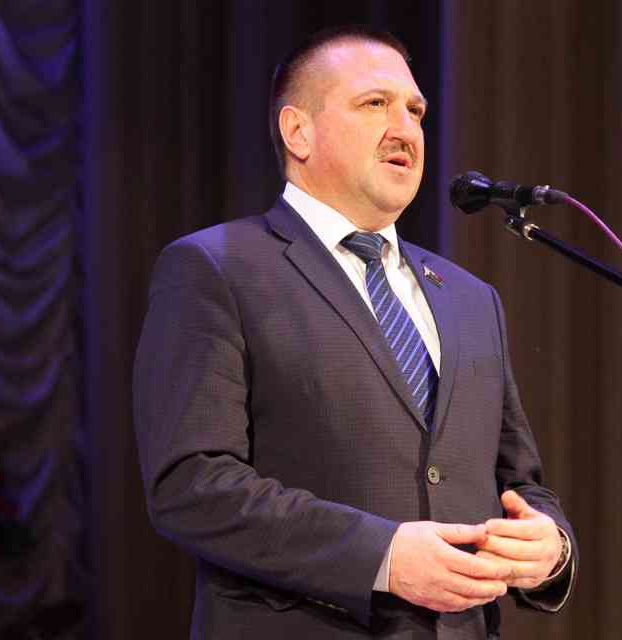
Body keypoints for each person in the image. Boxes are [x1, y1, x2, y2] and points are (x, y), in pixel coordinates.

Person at [132, 25, 577, 640]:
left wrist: (549, 548)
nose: (405, 129)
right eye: (375, 104)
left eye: (416, 111)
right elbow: (192, 484)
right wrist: (381, 557)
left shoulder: (473, 299)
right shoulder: (217, 268)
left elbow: (520, 482)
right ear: (298, 132)